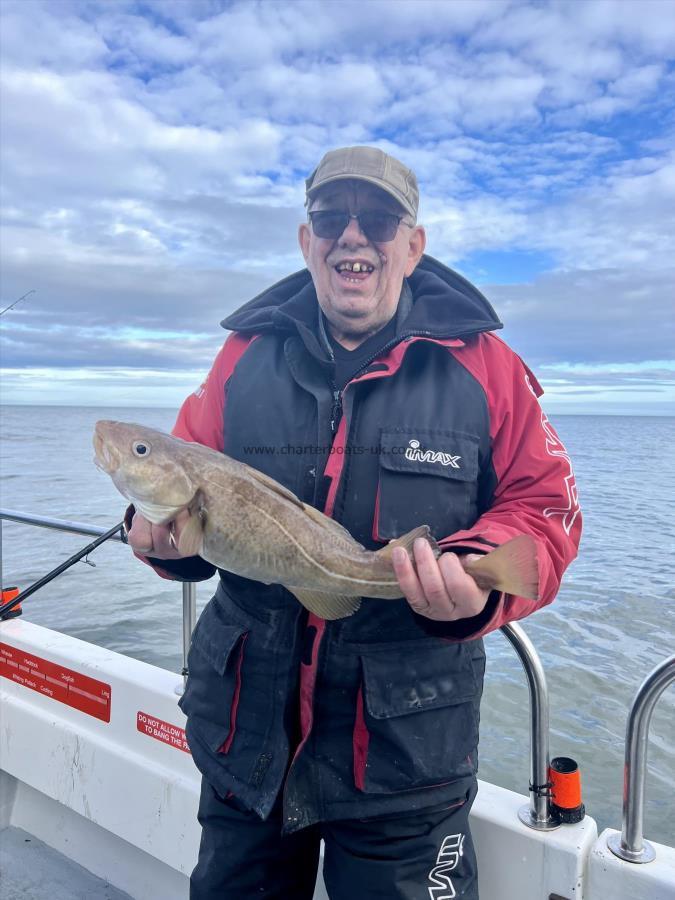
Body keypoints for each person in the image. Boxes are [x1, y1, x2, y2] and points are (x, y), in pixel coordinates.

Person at [127, 146, 581, 899]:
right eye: (330, 218)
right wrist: (158, 544)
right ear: (306, 241)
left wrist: (478, 578)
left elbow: (545, 508)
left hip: (404, 753)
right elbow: (184, 476)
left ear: (412, 244)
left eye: (376, 219)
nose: (352, 236)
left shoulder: (488, 366)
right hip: (245, 739)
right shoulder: (241, 355)